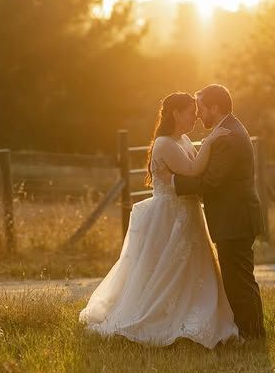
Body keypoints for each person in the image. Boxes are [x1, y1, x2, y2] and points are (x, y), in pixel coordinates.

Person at [79, 92, 238, 348]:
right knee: (164, 270)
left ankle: (194, 317)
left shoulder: (184, 139)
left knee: (191, 269)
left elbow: (198, 168)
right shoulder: (163, 143)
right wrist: (210, 142)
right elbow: (191, 170)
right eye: (191, 114)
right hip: (169, 216)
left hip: (188, 213)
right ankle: (157, 319)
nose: (196, 119)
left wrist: (207, 148)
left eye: (197, 114)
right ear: (176, 113)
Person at [157, 84, 266, 340]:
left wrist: (172, 182)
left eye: (202, 108)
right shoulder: (227, 129)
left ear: (214, 108)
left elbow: (210, 181)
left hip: (235, 219)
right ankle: (252, 332)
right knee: (239, 278)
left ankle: (252, 335)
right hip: (235, 217)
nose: (198, 115)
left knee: (239, 280)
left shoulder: (227, 136)